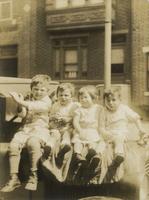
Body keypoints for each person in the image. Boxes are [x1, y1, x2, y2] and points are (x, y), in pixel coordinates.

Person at [0, 74, 52, 192]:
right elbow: (22, 115)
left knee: (32, 143)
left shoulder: (47, 101)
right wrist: (19, 104)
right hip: (26, 129)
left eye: (42, 90)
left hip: (40, 129)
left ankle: (34, 175)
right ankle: (14, 178)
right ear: (32, 89)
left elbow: (36, 107)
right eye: (36, 89)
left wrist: (20, 100)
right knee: (13, 145)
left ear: (47, 91)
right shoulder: (28, 99)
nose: (38, 92)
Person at [101, 88, 146, 182]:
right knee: (102, 147)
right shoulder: (104, 111)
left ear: (120, 100)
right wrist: (106, 134)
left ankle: (119, 155)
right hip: (108, 134)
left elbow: (136, 118)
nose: (111, 103)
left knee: (119, 139)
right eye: (108, 100)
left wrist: (141, 129)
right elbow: (101, 127)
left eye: (114, 100)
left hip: (121, 133)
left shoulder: (123, 109)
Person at [72, 85, 105, 175]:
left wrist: (101, 132)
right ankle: (78, 154)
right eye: (81, 98)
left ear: (93, 98)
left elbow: (101, 122)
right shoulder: (79, 110)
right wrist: (79, 131)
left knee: (93, 142)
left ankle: (92, 153)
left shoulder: (98, 108)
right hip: (81, 129)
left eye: (86, 97)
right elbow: (75, 122)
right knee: (78, 142)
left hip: (92, 130)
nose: (83, 100)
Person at [48, 83, 79, 168]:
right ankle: (49, 147)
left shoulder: (74, 106)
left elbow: (77, 118)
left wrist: (68, 119)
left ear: (71, 96)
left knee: (67, 134)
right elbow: (50, 116)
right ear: (57, 96)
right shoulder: (55, 105)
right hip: (57, 127)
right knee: (54, 133)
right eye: (60, 95)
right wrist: (54, 117)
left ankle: (65, 146)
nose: (63, 97)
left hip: (68, 127)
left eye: (66, 95)